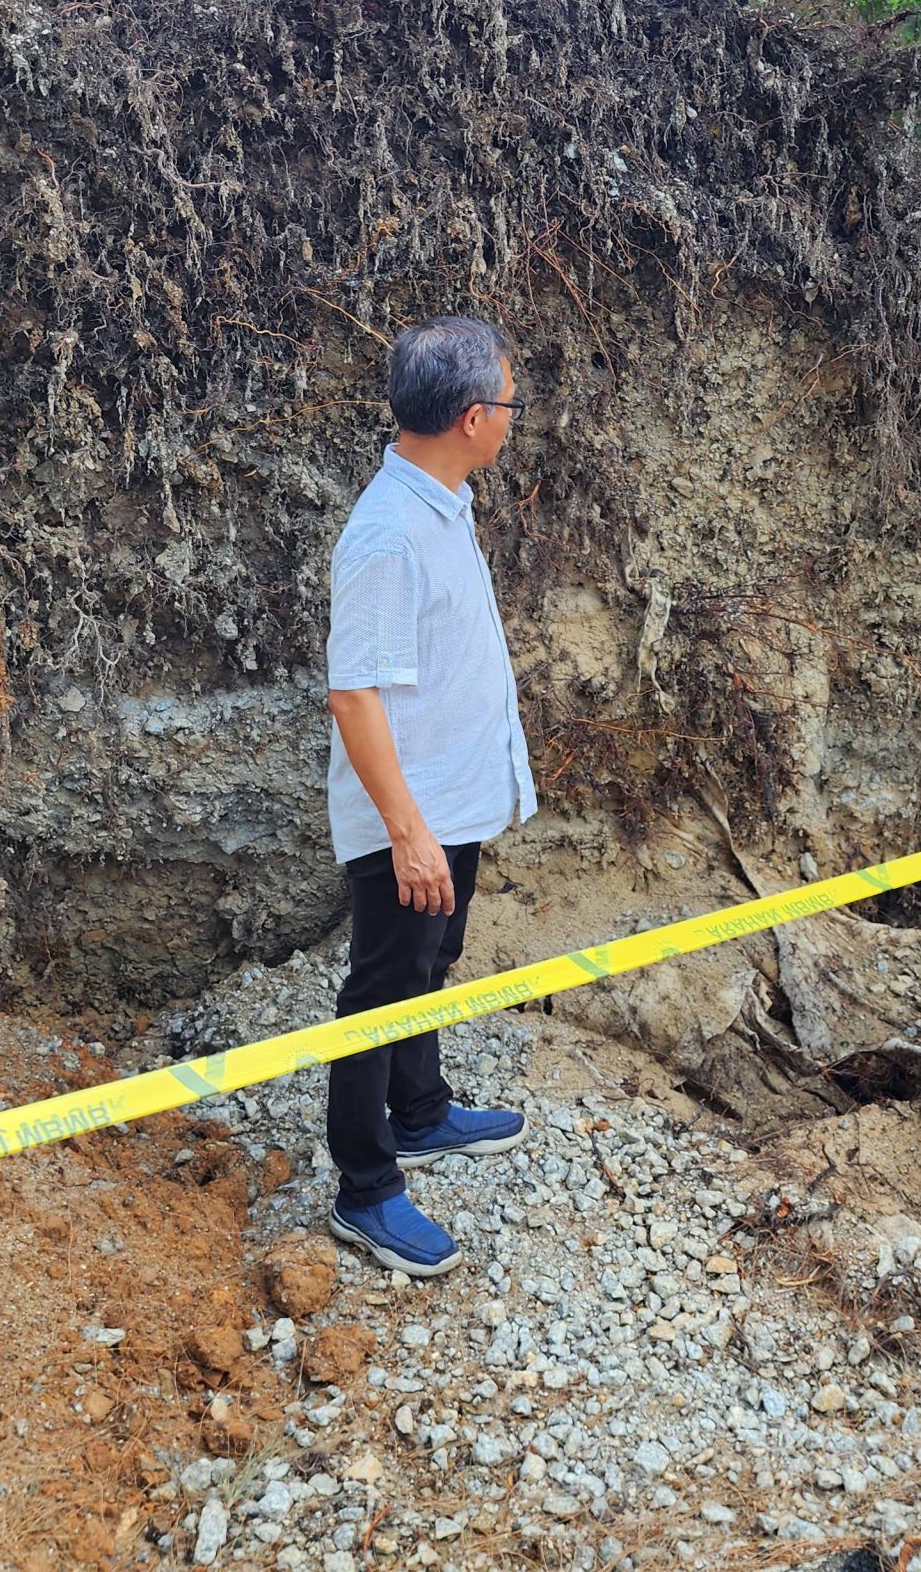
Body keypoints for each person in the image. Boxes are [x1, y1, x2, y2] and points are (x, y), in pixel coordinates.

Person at [321, 315, 536, 1276]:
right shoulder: (387, 535)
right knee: (381, 987)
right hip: (408, 817)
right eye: (508, 402)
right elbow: (352, 692)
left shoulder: (444, 501)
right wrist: (407, 834)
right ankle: (364, 1188)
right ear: (469, 416)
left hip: (447, 802)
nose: (514, 417)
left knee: (430, 960)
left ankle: (420, 1112)